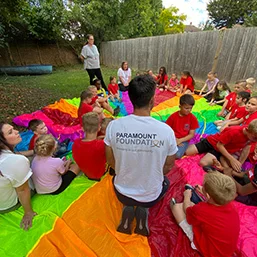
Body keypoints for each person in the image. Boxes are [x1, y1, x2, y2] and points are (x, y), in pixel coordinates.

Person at [104, 75, 177, 236]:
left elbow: (110, 160)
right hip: (150, 195)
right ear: (152, 100)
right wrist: (150, 173)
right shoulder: (166, 132)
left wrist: (125, 170)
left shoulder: (113, 126)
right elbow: (168, 166)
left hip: (122, 192)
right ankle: (143, 208)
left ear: (130, 98)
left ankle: (128, 206)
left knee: (128, 188)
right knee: (165, 181)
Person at [170, 171, 239, 257]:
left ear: (208, 196)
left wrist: (187, 196)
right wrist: (204, 192)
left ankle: (191, 236)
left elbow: (186, 210)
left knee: (177, 208)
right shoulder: (230, 206)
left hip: (210, 252)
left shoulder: (202, 210)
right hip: (226, 250)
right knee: (194, 208)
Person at [0, 123, 36, 230]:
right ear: (1, 143)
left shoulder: (7, 158)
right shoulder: (16, 161)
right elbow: (23, 190)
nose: (17, 132)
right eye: (10, 132)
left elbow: (13, 156)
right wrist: (28, 212)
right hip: (9, 204)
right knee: (39, 163)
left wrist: (33, 151)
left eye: (14, 129)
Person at [185, 119, 257, 172]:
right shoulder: (234, 131)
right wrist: (232, 159)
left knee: (203, 163)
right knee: (187, 152)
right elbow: (219, 145)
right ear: (247, 130)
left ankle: (218, 164)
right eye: (254, 138)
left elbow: (246, 148)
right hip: (213, 142)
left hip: (221, 151)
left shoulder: (252, 136)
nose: (255, 141)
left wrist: (239, 163)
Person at [72, 112, 107, 181]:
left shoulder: (76, 143)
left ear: (82, 128)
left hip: (87, 173)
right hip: (100, 174)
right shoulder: (102, 145)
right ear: (99, 128)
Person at [166, 94, 199, 159]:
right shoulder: (173, 117)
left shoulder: (193, 118)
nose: (189, 110)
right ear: (180, 106)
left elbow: (191, 134)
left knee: (177, 155)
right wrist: (174, 140)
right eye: (186, 108)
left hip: (184, 140)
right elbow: (167, 130)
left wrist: (180, 140)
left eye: (190, 108)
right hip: (172, 138)